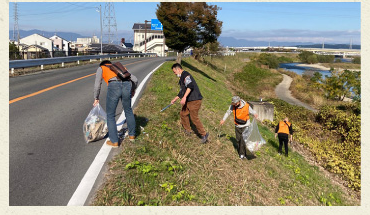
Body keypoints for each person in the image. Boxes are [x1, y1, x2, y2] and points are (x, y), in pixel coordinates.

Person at [93, 60, 136, 147]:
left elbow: (97, 85)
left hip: (114, 86)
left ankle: (114, 141)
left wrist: (96, 97)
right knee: (128, 110)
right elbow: (135, 79)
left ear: (102, 64)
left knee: (110, 115)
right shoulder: (120, 67)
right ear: (110, 63)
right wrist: (133, 90)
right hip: (127, 85)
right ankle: (132, 136)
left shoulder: (101, 68)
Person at [170, 63, 209, 144]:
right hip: (189, 101)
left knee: (194, 118)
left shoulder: (186, 75)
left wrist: (184, 98)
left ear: (178, 69)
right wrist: (175, 99)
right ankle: (188, 130)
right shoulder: (181, 78)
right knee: (183, 114)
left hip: (194, 100)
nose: (174, 74)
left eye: (174, 72)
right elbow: (182, 91)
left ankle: (204, 134)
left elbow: (190, 86)